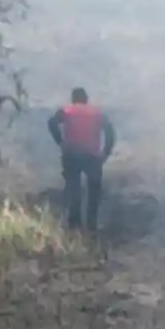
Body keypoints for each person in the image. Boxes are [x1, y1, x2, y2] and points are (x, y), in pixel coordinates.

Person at [47, 87, 116, 233]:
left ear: (73, 99)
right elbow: (110, 132)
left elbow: (52, 123)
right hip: (93, 156)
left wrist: (60, 142)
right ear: (86, 99)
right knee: (93, 192)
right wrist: (105, 153)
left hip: (71, 154)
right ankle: (91, 226)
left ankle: (74, 226)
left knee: (74, 188)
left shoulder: (67, 110)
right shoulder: (97, 113)